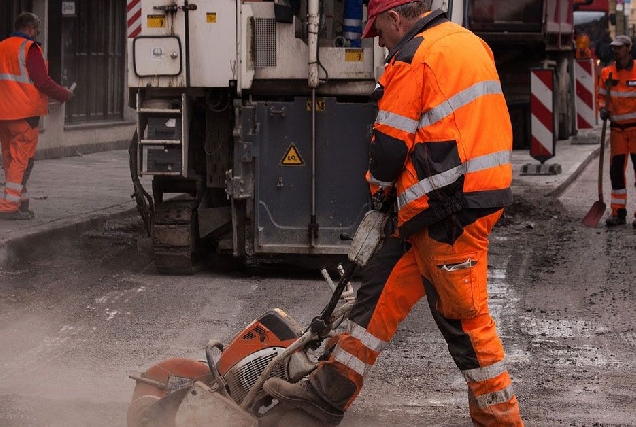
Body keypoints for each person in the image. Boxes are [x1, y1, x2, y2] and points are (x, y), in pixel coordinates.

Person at [264, 0, 523, 425]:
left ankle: (502, 422)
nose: (380, 42)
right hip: (449, 203)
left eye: (378, 31)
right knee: (375, 299)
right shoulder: (470, 43)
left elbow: (388, 149)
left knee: (465, 323)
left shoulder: (413, 55)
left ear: (396, 18)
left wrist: (378, 196)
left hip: (447, 210)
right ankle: (322, 399)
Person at [0, 12, 74, 220]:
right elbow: (43, 82)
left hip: (4, 115)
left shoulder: (2, 47)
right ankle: (8, 208)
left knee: (10, 159)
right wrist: (64, 94)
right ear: (31, 28)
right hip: (25, 115)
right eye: (37, 30)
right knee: (22, 161)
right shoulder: (30, 49)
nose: (37, 34)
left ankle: (20, 202)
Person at [597, 35, 636, 227]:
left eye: (619, 48)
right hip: (617, 131)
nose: (615, 51)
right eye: (614, 48)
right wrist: (602, 108)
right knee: (616, 172)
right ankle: (618, 212)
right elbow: (601, 96)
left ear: (629, 48)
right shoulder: (607, 73)